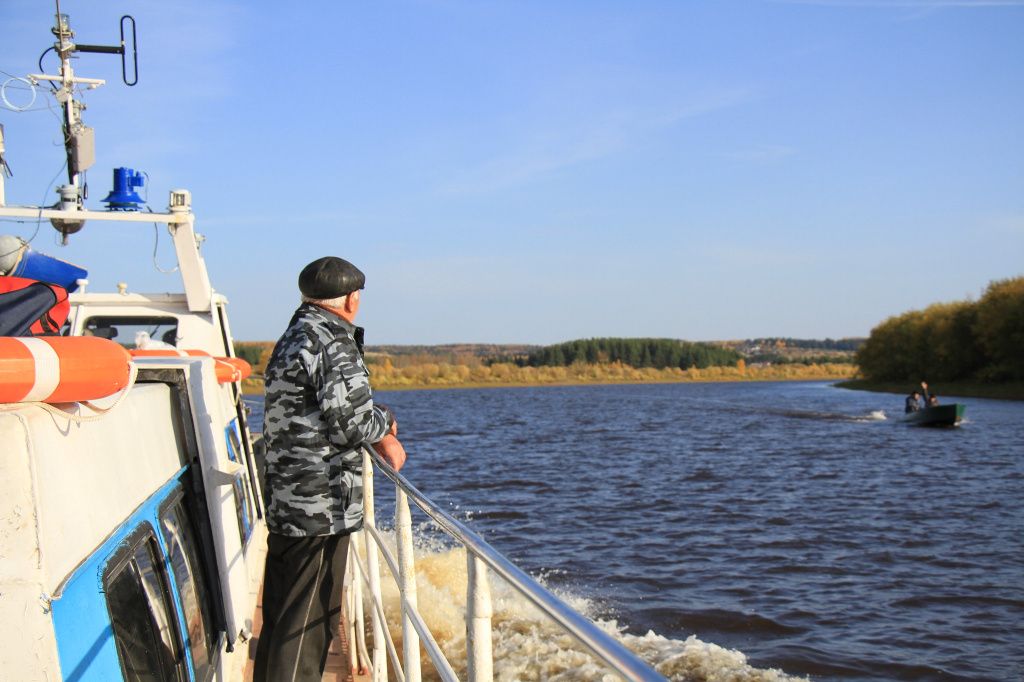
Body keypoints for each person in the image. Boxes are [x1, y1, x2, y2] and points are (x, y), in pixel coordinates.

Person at [253, 256, 407, 682]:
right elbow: (351, 422)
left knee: (283, 618)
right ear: (351, 299)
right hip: (319, 505)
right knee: (307, 626)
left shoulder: (295, 333)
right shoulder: (331, 341)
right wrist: (386, 422)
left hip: (288, 497)